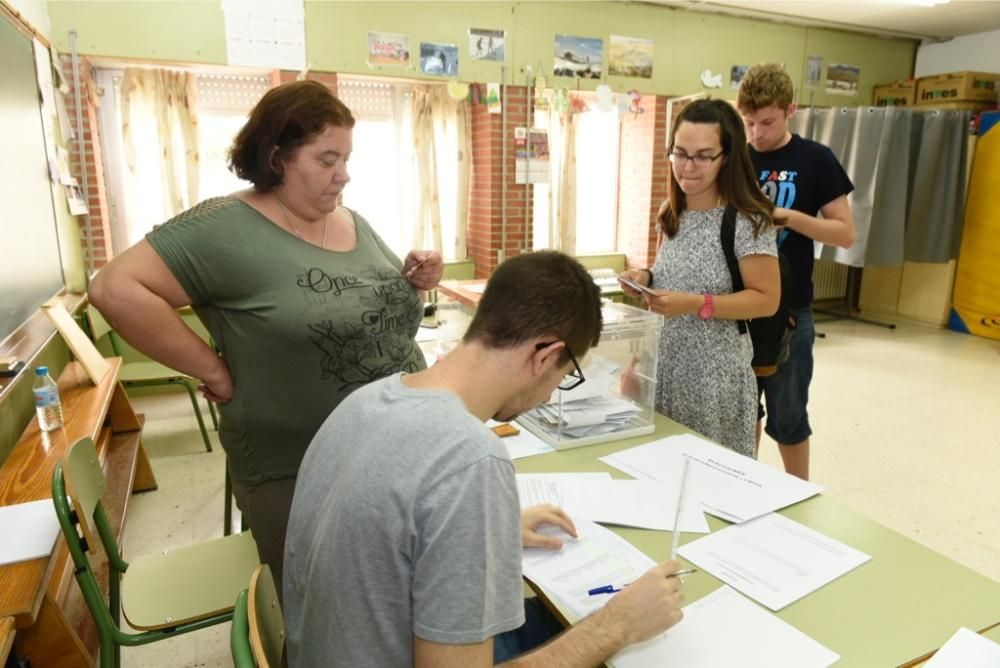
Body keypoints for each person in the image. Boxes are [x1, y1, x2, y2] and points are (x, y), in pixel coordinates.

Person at [88, 80, 443, 596]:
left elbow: (366, 301)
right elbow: (113, 288)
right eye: (327, 160)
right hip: (298, 467)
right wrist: (212, 369)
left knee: (388, 597)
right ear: (277, 158)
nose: (344, 174)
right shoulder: (224, 228)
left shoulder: (349, 219)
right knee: (317, 611)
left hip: (390, 448)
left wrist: (412, 278)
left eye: (346, 158)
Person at [284, 251, 687, 667]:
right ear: (545, 355)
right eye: (564, 377)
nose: (550, 394)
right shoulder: (470, 460)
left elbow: (383, 530)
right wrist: (617, 625)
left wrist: (491, 531)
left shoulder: (367, 399)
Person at [619, 99, 781, 458]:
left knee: (708, 481)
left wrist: (696, 304)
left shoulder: (748, 221)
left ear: (728, 157)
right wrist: (644, 276)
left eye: (704, 156)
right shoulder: (671, 212)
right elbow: (674, 271)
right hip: (664, 368)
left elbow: (766, 299)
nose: (688, 167)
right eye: (680, 153)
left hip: (714, 381)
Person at [738, 63, 856, 480]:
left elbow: (844, 233)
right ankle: (743, 486)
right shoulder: (738, 156)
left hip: (792, 312)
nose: (757, 133)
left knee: (789, 416)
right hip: (741, 307)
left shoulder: (815, 159)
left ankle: (797, 497)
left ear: (791, 109)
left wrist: (788, 217)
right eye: (748, 122)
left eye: (767, 122)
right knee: (742, 410)